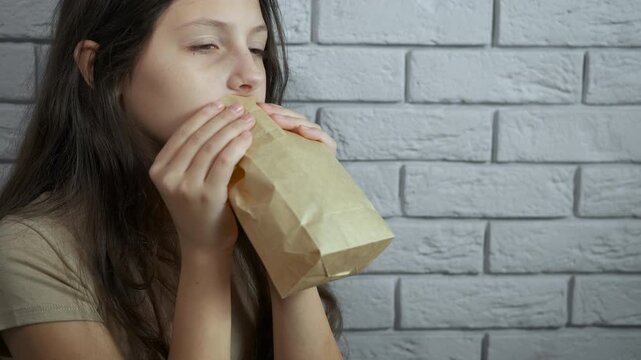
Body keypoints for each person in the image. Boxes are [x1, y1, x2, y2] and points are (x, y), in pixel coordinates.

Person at [0, 0, 344, 359]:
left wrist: (292, 224)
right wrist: (205, 249)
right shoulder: (30, 249)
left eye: (256, 48)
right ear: (100, 67)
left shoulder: (254, 205)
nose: (252, 76)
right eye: (206, 44)